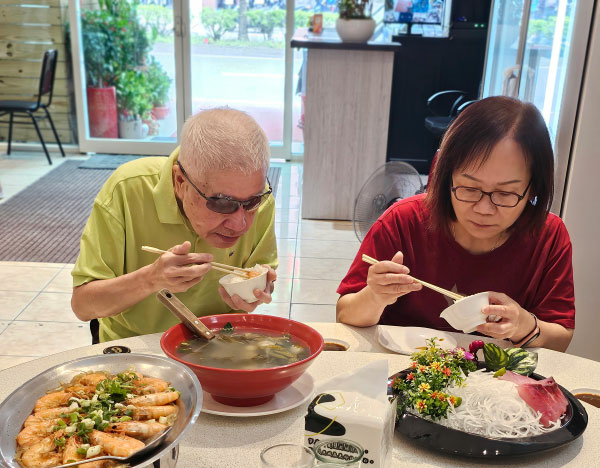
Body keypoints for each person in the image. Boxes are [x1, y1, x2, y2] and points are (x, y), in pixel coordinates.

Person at [336, 96, 575, 352]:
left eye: (505, 194)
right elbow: (344, 315)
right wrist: (374, 296)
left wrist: (525, 326)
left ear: (533, 189)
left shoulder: (549, 236)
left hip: (494, 380)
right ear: (445, 175)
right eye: (470, 188)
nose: (484, 209)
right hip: (400, 375)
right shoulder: (402, 221)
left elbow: (561, 339)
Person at [71, 108, 277, 342]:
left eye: (252, 201)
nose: (240, 223)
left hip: (220, 341)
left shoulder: (260, 201)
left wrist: (258, 293)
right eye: (222, 203)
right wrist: (151, 279)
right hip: (136, 346)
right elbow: (83, 306)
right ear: (180, 181)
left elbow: (262, 276)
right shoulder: (128, 189)